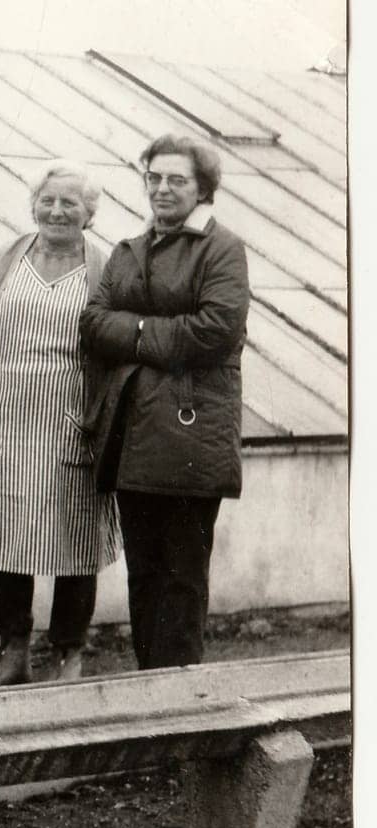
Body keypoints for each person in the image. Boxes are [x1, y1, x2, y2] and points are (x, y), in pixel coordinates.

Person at [81, 135, 250, 670]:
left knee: (181, 573)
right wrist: (152, 336)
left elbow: (216, 331)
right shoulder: (129, 248)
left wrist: (131, 334)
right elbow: (92, 322)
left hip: (191, 433)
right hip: (134, 435)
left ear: (202, 188)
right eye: (154, 178)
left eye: (176, 179)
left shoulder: (222, 248)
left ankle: (179, 696)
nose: (162, 189)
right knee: (145, 569)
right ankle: (149, 688)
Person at [0, 161, 121, 687]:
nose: (57, 210)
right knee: (7, 542)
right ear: (33, 205)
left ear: (89, 213)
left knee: (75, 545)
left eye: (71, 202)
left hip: (73, 429)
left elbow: (116, 357)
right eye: (48, 200)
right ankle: (14, 650)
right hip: (6, 426)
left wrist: (102, 425)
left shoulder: (106, 268)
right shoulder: (0, 262)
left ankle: (69, 652)